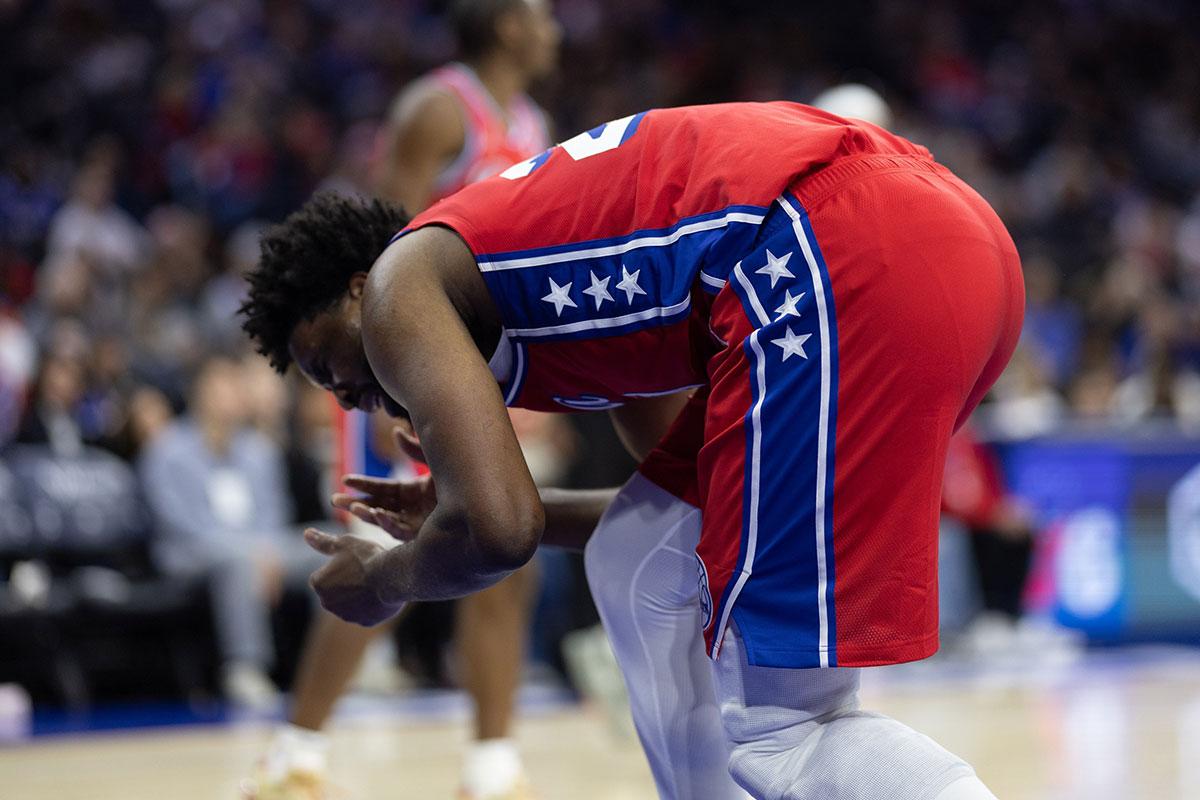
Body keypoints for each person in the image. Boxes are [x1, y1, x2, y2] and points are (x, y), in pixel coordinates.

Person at [241, 101, 1023, 799]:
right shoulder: (563, 302)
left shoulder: (397, 285)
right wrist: (481, 515)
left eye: (327, 363)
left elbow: (496, 532)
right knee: (636, 556)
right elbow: (698, 510)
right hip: (945, 239)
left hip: (831, 254)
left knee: (787, 735)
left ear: (355, 290)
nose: (345, 392)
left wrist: (385, 580)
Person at [248, 1, 561, 798]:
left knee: (510, 554)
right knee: (381, 548)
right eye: (540, 11)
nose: (554, 25)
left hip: (492, 361)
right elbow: (384, 248)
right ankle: (296, 753)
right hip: (406, 362)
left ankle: (492, 762)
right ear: (503, 25)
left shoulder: (531, 119)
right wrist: (396, 395)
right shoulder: (438, 107)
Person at [139, 357, 327, 710]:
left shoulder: (259, 451)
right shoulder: (167, 450)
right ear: (200, 394)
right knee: (238, 561)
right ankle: (246, 668)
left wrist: (265, 551)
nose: (231, 396)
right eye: (222, 387)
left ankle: (351, 661)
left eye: (235, 387)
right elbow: (176, 521)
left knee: (331, 546)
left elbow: (275, 513)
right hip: (188, 552)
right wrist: (252, 553)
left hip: (260, 551)